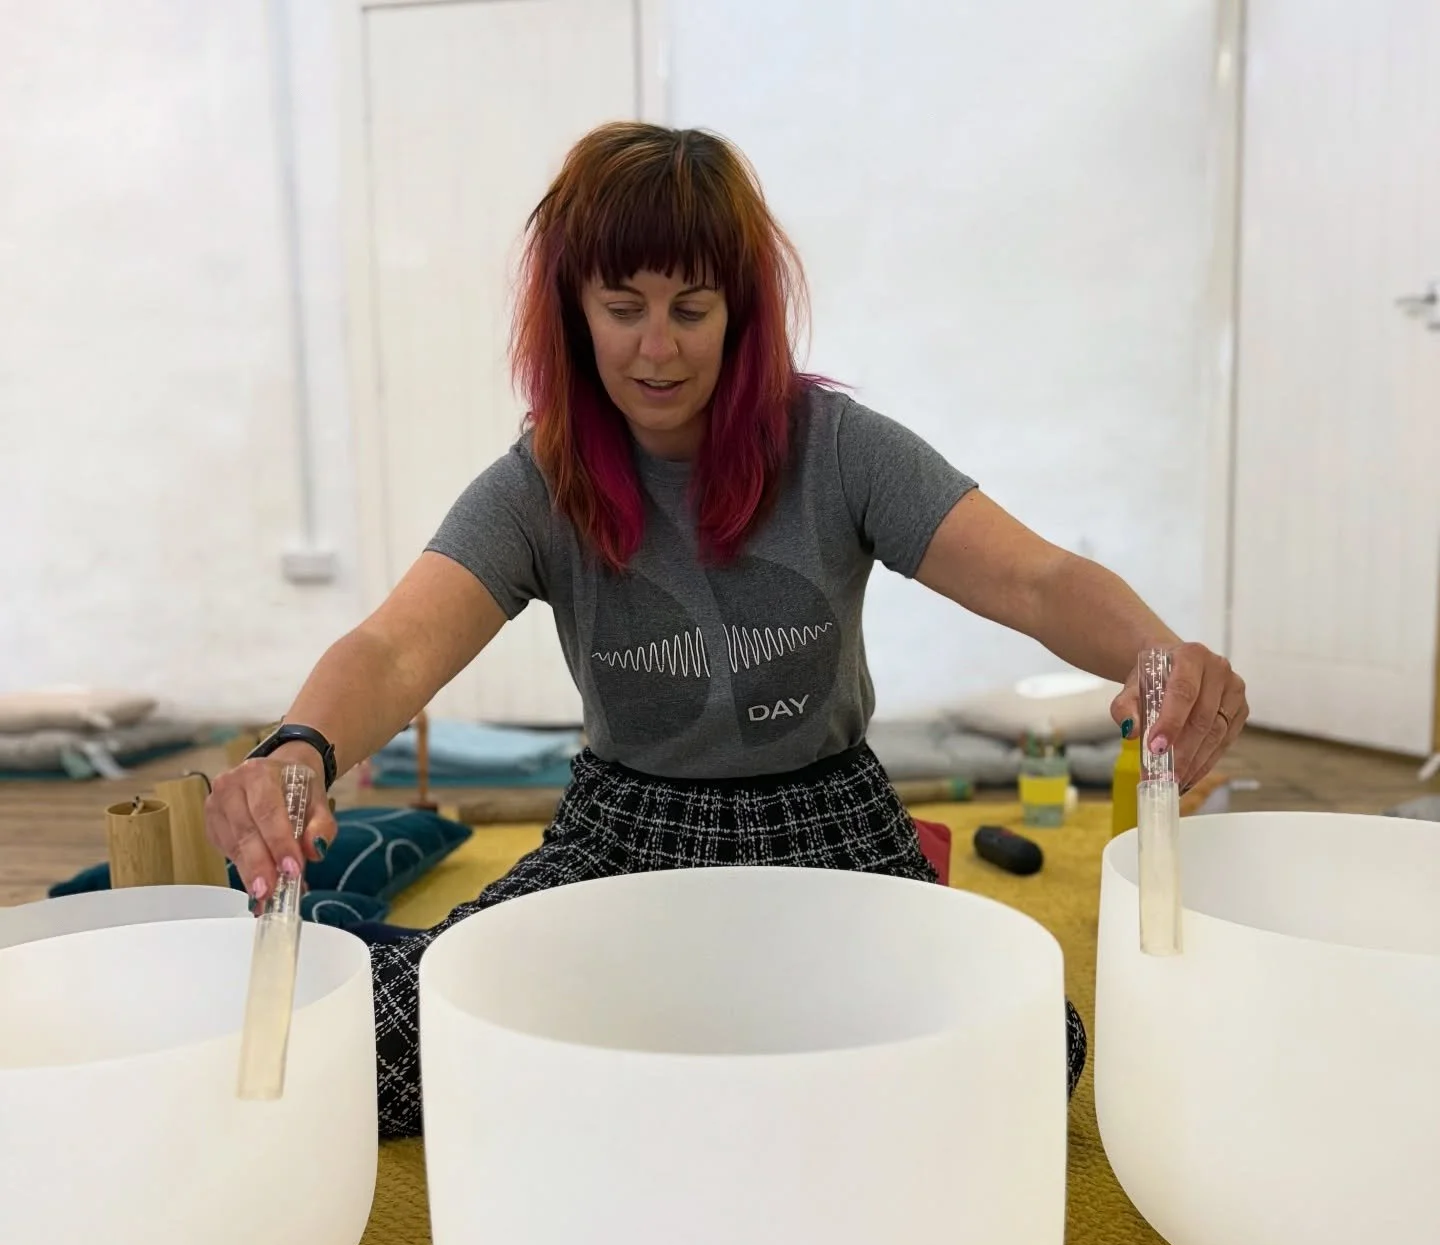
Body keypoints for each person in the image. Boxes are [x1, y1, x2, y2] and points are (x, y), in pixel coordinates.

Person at [206, 122, 1248, 1138]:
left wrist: (1157, 658)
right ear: (573, 313)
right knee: (370, 1053)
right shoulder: (540, 483)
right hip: (623, 834)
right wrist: (300, 745)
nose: (657, 349)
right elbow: (396, 646)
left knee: (1024, 1059)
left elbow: (1034, 577)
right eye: (622, 308)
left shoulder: (839, 450)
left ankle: (662, 1072)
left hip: (831, 832)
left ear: (739, 314)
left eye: (690, 310)